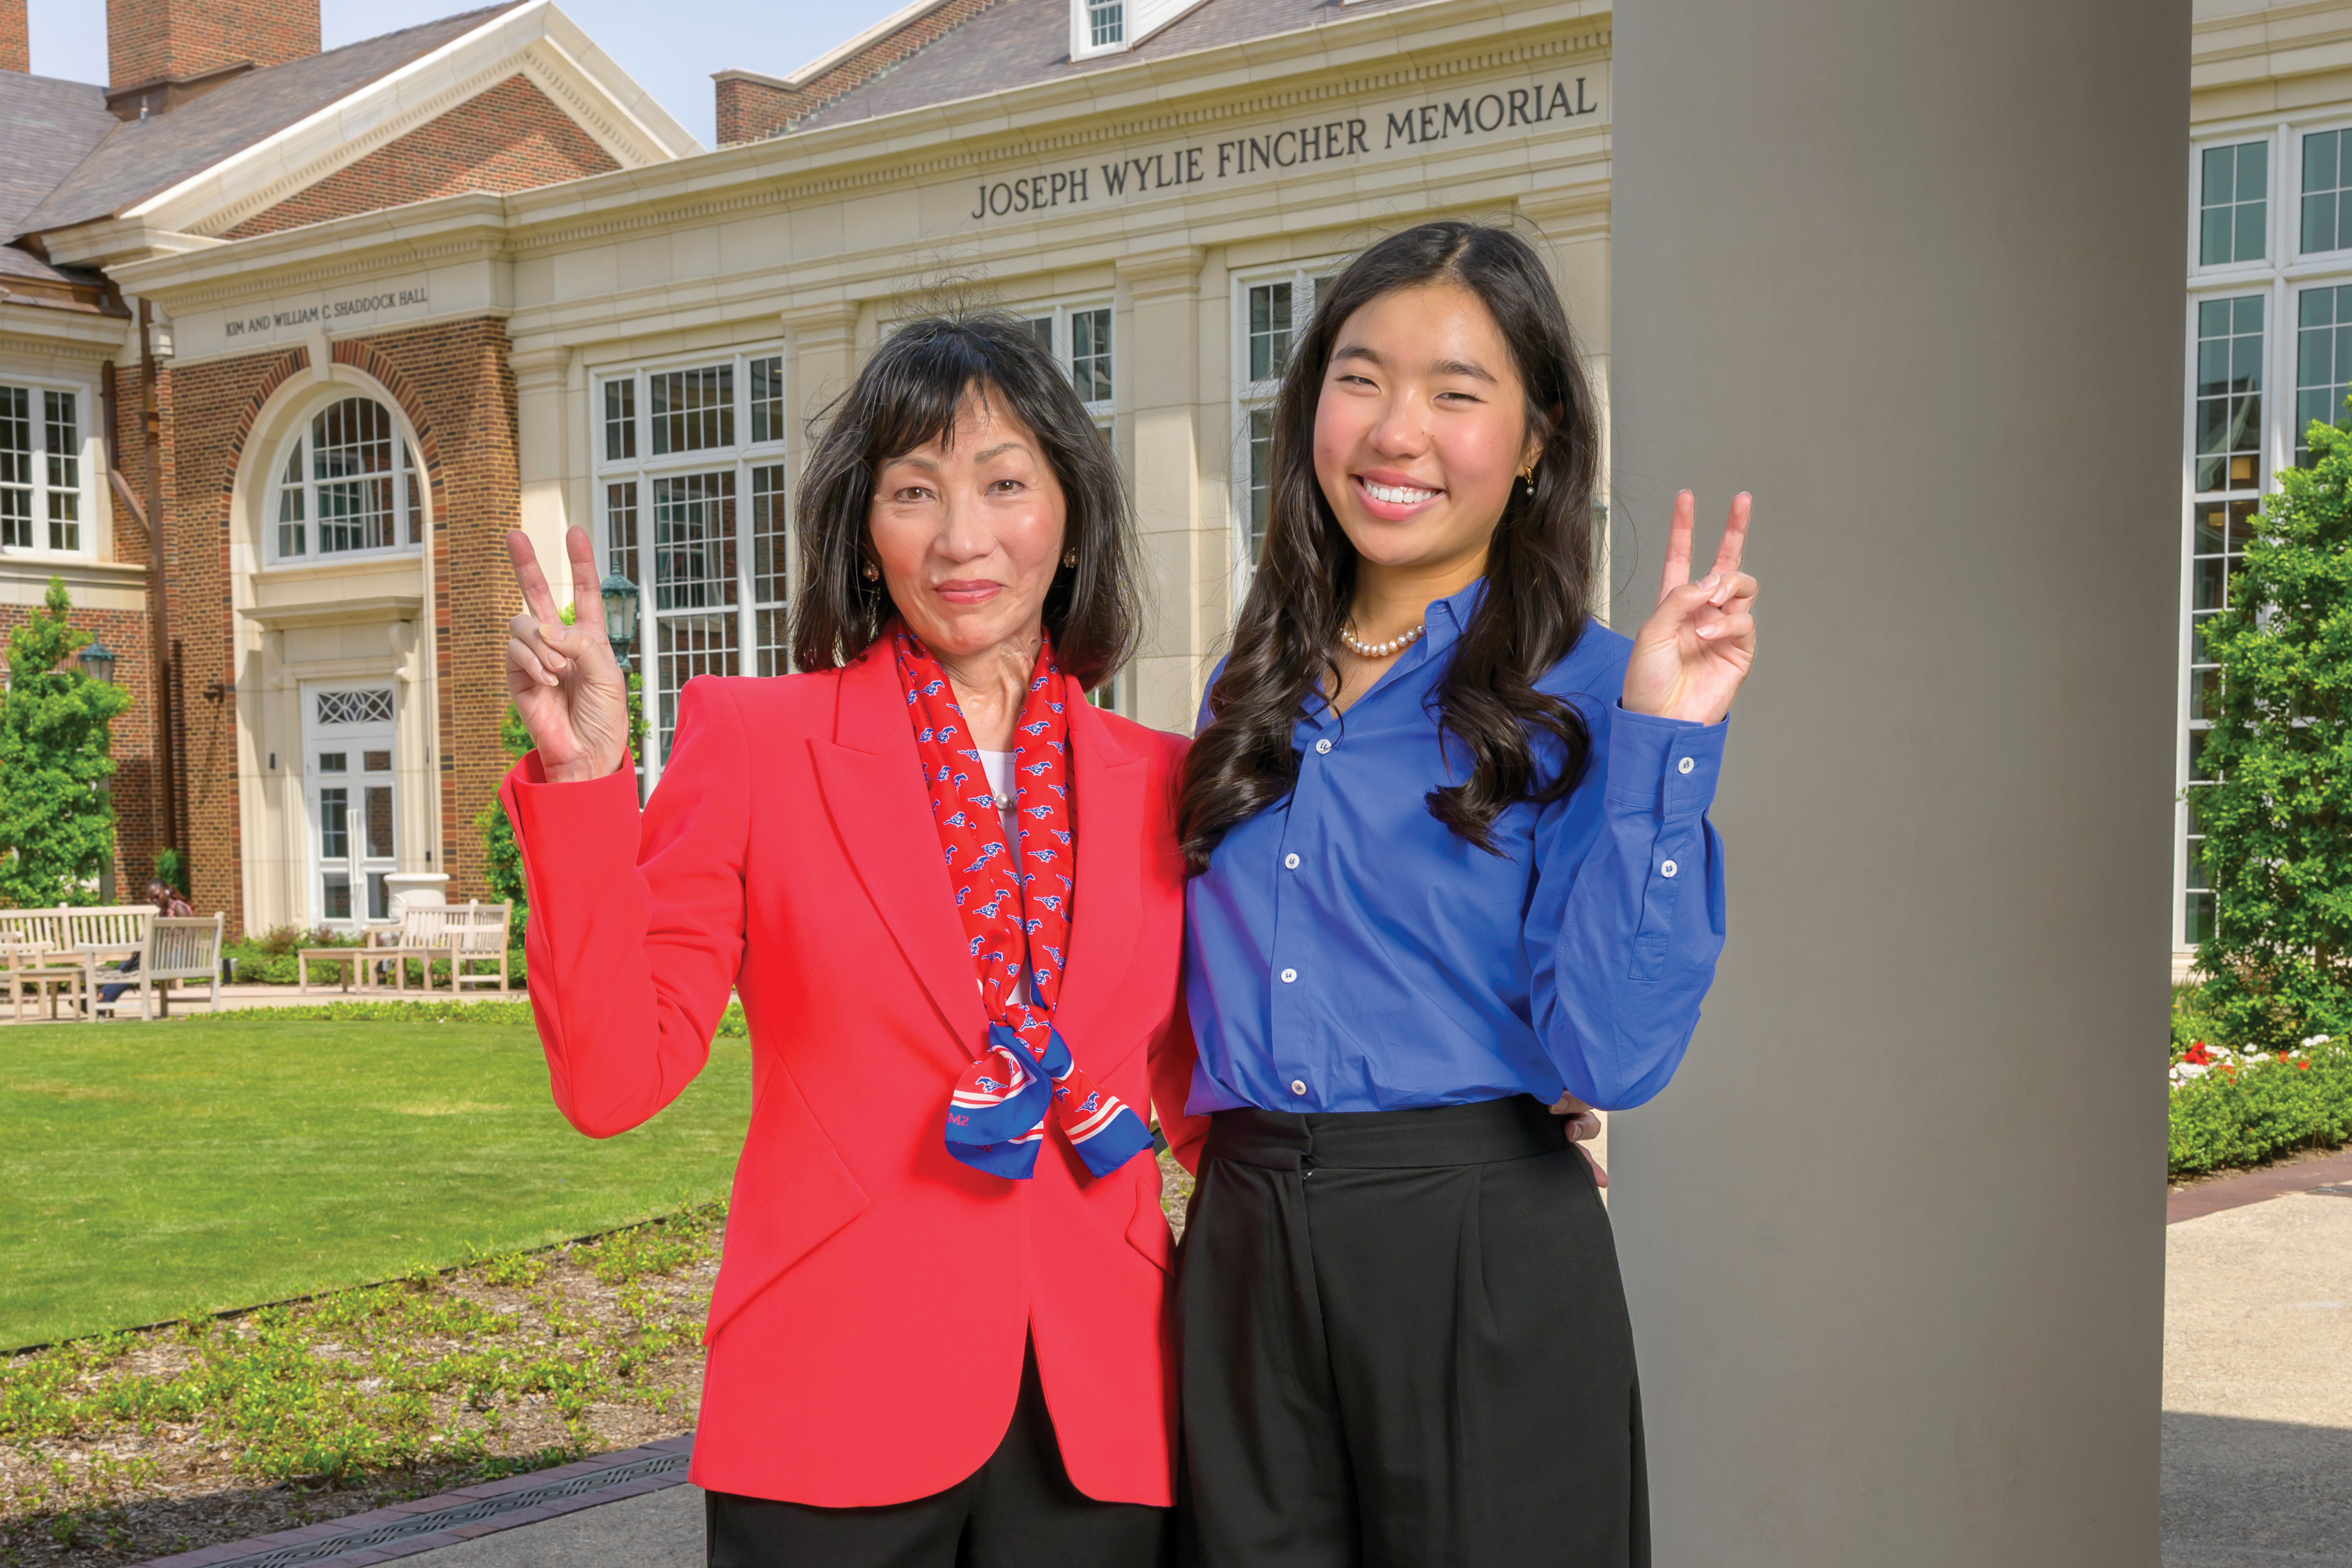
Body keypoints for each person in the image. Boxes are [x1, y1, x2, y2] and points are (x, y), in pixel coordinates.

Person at [498, 314, 1204, 1567]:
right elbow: (612, 1078)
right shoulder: (757, 743)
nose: (961, 537)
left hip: (1102, 1408)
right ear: (865, 536)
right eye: (912, 492)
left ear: (1073, 515)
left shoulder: (1165, 783)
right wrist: (589, 777)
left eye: (1003, 483)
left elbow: (1218, 1091)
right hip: (831, 1390)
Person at [1174, 221, 1759, 1567]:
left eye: (1456, 391)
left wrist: (1665, 738)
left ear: (1537, 436)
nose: (1395, 431)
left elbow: (1611, 1051)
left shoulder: (1599, 691)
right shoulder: (1244, 688)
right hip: (1246, 1240)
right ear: (1309, 400)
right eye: (1361, 376)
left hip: (1475, 1241)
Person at [97, 878, 193, 1003]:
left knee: (133, 965)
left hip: (181, 957)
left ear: (167, 891)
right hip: (166, 957)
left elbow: (190, 939)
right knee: (131, 964)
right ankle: (104, 999)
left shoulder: (179, 908)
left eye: (157, 896)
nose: (155, 900)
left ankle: (102, 997)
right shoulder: (164, 912)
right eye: (151, 899)